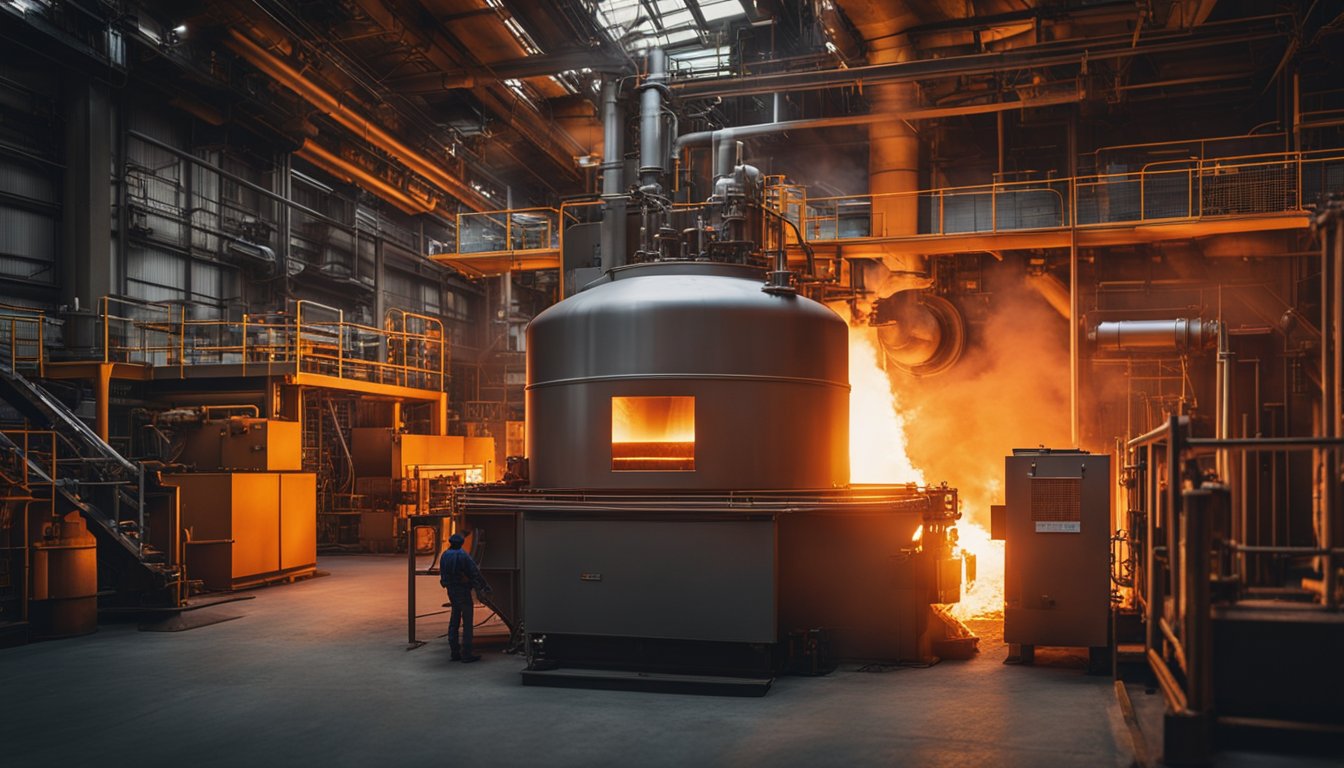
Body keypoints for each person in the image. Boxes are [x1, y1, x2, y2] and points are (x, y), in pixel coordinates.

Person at [439, 532, 490, 663]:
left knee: (454, 620)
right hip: (463, 591)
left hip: (451, 590)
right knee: (467, 623)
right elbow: (474, 573)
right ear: (461, 543)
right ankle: (467, 654)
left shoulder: (445, 555)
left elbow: (443, 574)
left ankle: (454, 652)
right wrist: (484, 586)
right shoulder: (463, 555)